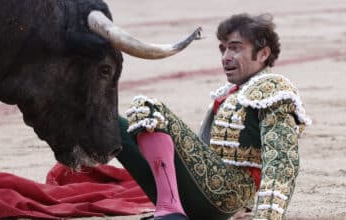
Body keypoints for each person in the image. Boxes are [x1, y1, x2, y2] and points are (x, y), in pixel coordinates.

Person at [116, 13, 311, 220]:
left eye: (235, 48)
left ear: (263, 54)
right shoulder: (231, 93)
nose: (226, 57)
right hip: (204, 196)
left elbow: (280, 162)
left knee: (147, 108)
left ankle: (169, 209)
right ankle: (172, 208)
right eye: (223, 48)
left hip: (227, 195)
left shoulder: (272, 90)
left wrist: (267, 217)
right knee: (113, 124)